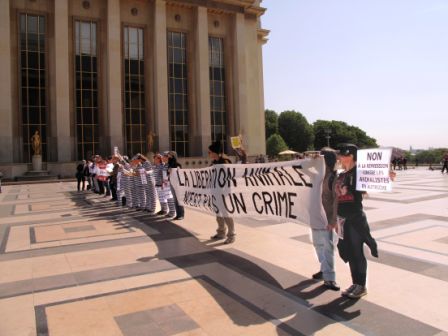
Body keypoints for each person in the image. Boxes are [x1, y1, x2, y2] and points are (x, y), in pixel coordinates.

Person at [335, 144, 378, 299]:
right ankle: (356, 283)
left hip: (355, 219)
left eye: (343, 155)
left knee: (356, 252)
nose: (340, 157)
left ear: (352, 156)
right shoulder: (342, 174)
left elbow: (375, 178)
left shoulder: (358, 172)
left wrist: (388, 176)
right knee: (348, 252)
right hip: (342, 220)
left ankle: (361, 285)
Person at [310, 148, 340, 291]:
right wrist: (310, 161)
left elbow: (336, 201)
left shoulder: (334, 178)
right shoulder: (318, 176)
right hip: (316, 218)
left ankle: (330, 278)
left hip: (327, 220)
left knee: (328, 248)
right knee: (318, 245)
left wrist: (333, 220)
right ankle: (324, 270)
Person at [208, 141, 236, 244]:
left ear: (215, 152)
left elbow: (229, 177)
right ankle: (221, 232)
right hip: (216, 191)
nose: (209, 154)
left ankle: (231, 235)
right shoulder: (214, 162)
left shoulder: (225, 161)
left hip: (224, 192)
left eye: (209, 152)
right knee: (218, 213)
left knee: (226, 213)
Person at [167, 151, 185, 220]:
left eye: (170, 156)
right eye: (169, 156)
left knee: (179, 199)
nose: (169, 157)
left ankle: (181, 214)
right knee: (175, 199)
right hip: (171, 183)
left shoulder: (178, 165)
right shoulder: (169, 165)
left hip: (177, 184)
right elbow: (167, 175)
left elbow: (180, 175)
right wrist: (168, 172)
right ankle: (177, 214)